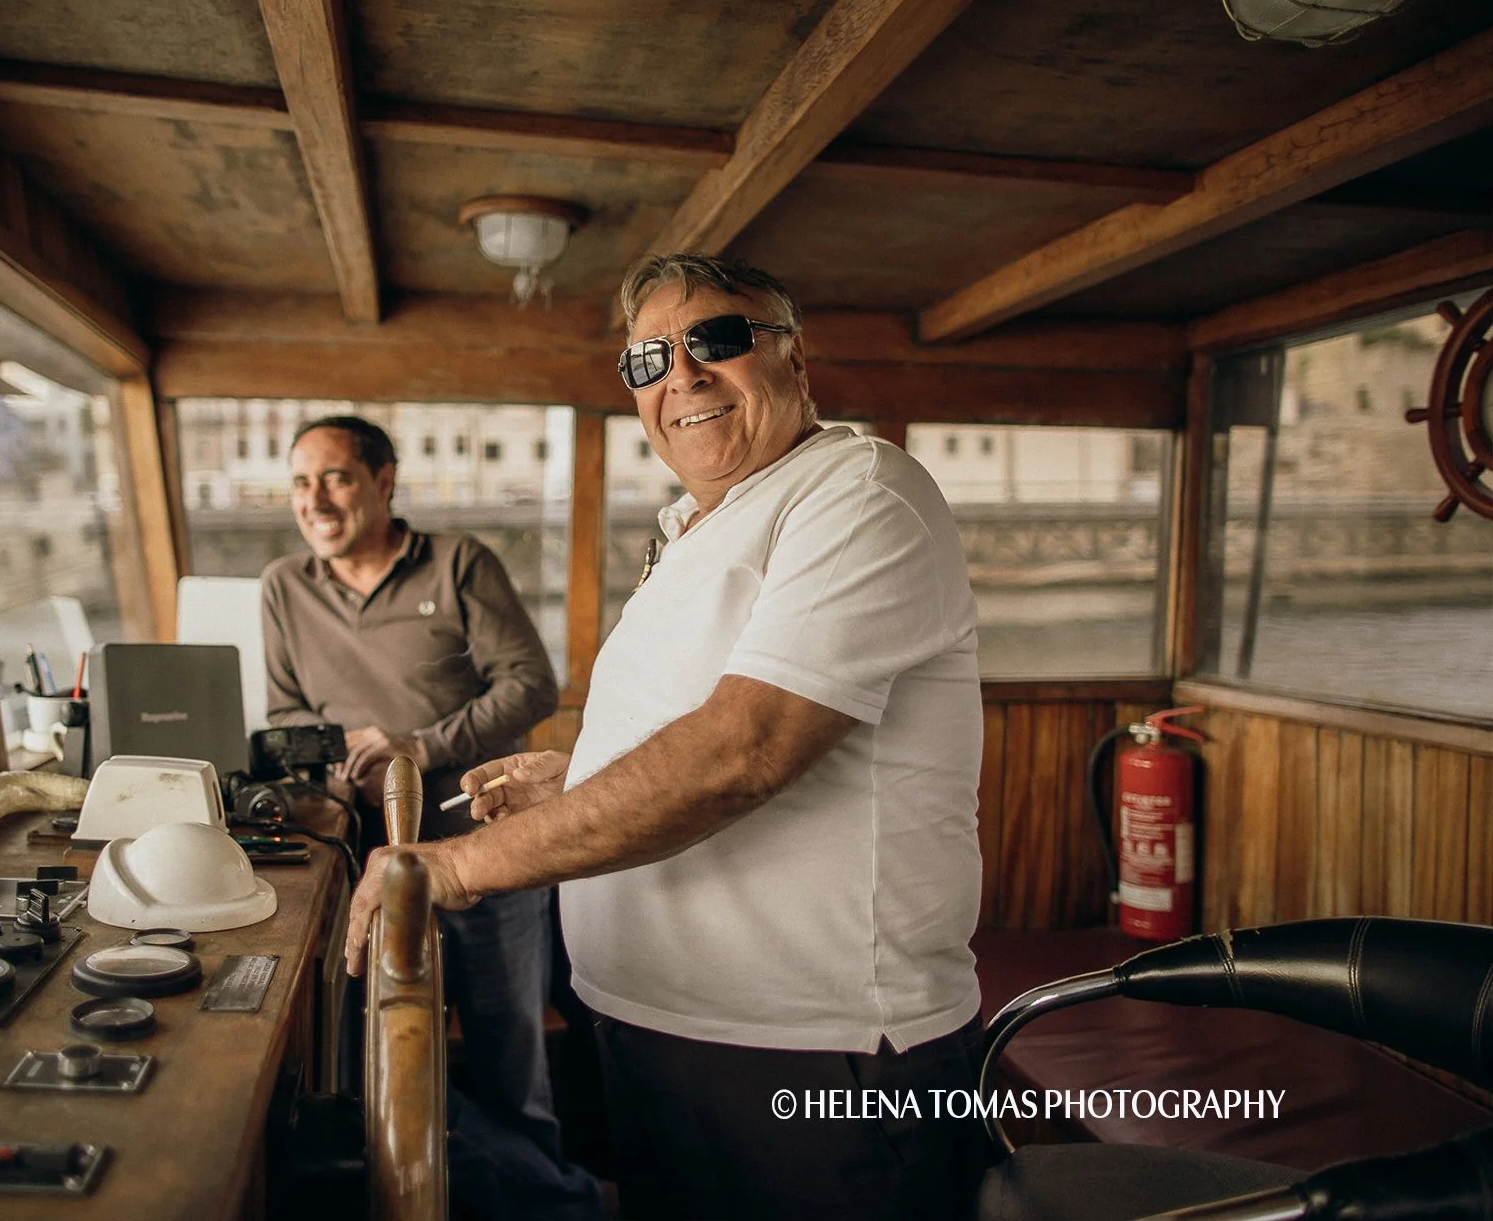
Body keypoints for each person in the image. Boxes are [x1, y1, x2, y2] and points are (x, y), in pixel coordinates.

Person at [343, 256, 990, 1220]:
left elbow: (744, 750)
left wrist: (453, 868)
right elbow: (710, 725)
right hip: (663, 1029)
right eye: (648, 358)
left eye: (717, 341)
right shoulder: (696, 527)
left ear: (794, 361)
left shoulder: (858, 492)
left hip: (819, 1049)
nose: (680, 374)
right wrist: (582, 778)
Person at [259, 415, 602, 1221]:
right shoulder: (283, 584)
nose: (316, 499)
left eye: (336, 477)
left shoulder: (457, 563)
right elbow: (284, 714)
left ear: (384, 482)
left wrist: (416, 743)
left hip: (489, 850)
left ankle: (560, 1208)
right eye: (302, 482)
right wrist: (332, 763)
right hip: (363, 868)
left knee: (507, 1069)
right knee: (382, 1065)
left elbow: (529, 686)